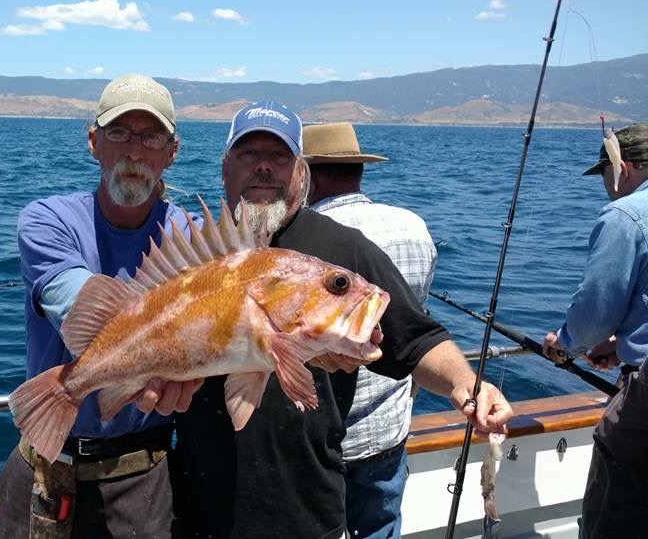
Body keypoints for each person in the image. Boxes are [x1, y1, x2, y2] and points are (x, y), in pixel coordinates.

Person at [168, 101, 513, 539]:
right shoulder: (192, 252)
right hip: (195, 508)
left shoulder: (344, 254)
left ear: (302, 173)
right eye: (248, 153)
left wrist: (466, 384)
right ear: (225, 169)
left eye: (279, 156)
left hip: (307, 511)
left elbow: (417, 340)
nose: (263, 167)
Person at [0, 74, 201, 539]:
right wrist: (164, 352)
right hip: (43, 469)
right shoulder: (47, 220)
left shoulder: (194, 237)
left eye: (151, 137)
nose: (134, 152)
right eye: (119, 133)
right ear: (93, 142)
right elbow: (79, 308)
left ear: (172, 151)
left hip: (144, 482)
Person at [303, 122, 437, 539]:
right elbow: (413, 325)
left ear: (308, 178)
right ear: (358, 170)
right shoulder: (413, 226)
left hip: (323, 438)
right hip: (387, 430)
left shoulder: (308, 245)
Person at [541, 123, 648, 539]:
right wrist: (625, 345)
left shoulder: (626, 216)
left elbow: (595, 314)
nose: (605, 186)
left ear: (624, 168)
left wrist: (565, 344)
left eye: (604, 173)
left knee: (615, 513)